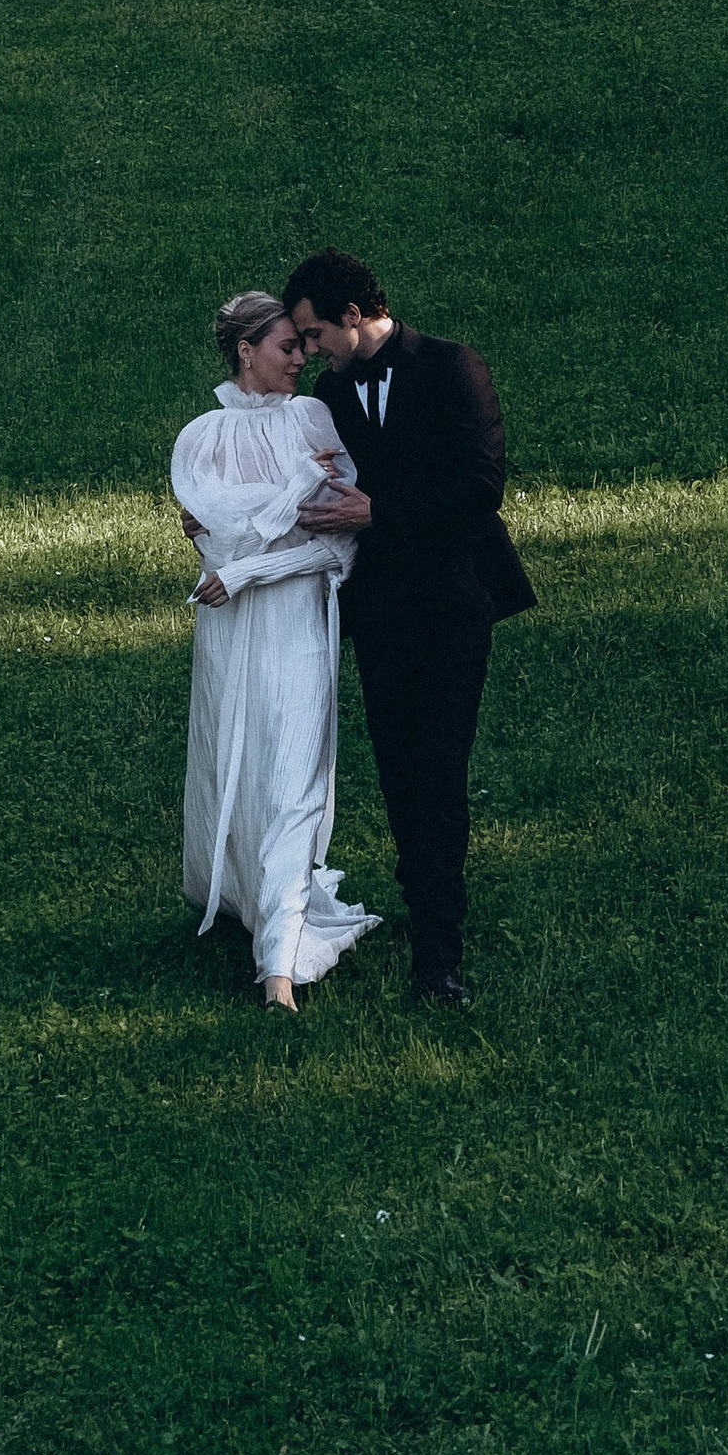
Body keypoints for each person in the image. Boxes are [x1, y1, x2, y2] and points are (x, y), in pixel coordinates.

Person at [280, 247, 533, 1010]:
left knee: (440, 768)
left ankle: (439, 952)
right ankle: (420, 887)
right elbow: (299, 483)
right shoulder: (331, 394)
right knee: (398, 769)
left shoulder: (453, 367)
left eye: (316, 331)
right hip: (382, 609)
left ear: (354, 315)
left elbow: (480, 486)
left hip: (455, 602)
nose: (311, 348)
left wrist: (381, 511)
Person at [171, 290, 380, 1012]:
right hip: (229, 630)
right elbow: (216, 534)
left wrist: (249, 566)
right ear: (246, 350)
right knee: (245, 763)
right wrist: (270, 515)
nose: (302, 358)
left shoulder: (316, 419)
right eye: (288, 347)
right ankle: (250, 899)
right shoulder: (201, 438)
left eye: (303, 344)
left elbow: (338, 546)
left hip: (294, 622)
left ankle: (278, 968)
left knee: (293, 772)